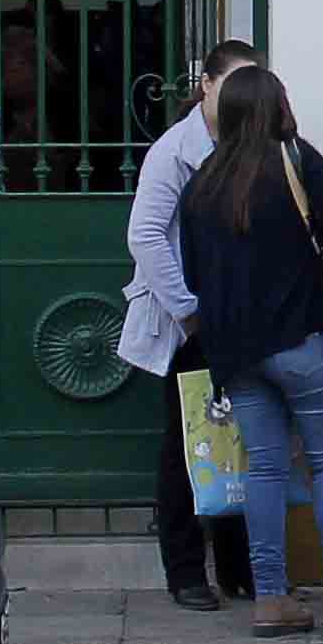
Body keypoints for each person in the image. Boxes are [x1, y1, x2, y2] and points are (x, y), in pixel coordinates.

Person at [176, 67, 323, 639]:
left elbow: (193, 274)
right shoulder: (295, 162)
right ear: (277, 107)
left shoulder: (201, 182)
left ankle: (271, 598)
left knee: (265, 469)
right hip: (303, 339)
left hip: (238, 352)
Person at [113, 36, 266, 610]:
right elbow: (146, 235)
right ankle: (185, 572)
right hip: (191, 325)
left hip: (241, 319)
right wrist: (188, 308)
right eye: (233, 83)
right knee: (187, 442)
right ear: (206, 84)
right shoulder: (174, 150)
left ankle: (240, 568)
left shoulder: (256, 145)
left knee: (240, 439)